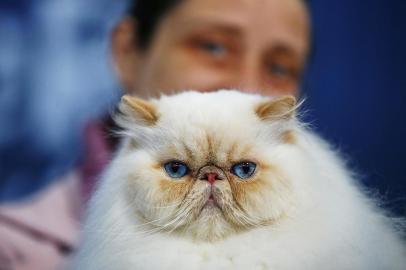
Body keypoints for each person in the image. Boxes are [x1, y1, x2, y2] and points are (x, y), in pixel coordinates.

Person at [0, 0, 310, 269]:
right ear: (127, 52)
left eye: (280, 68)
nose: (244, 88)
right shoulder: (11, 251)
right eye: (213, 46)